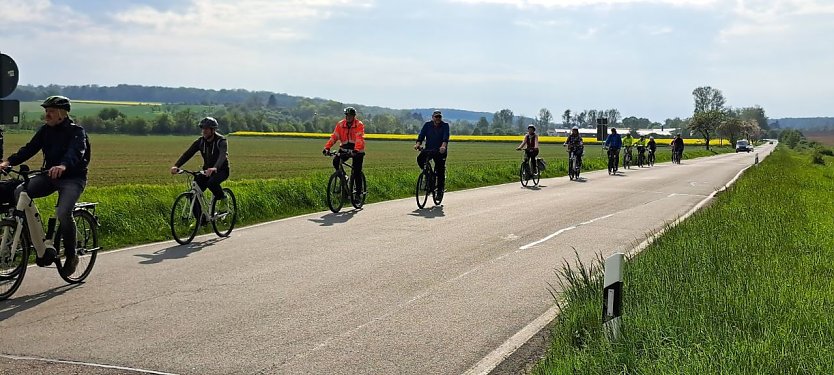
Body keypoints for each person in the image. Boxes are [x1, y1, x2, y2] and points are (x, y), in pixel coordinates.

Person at [0, 96, 90, 275]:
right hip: (49, 175)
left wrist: (63, 165)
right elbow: (30, 148)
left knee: (63, 212)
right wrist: (8, 162)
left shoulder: (77, 132)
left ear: (62, 114)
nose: (47, 114)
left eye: (51, 111)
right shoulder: (45, 131)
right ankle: (34, 239)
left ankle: (71, 256)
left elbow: (76, 152)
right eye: (46, 111)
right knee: (20, 192)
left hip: (73, 178)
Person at [171, 116, 230, 211]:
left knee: (212, 183)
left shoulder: (221, 141)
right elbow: (187, 154)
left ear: (213, 130)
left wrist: (215, 168)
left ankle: (223, 198)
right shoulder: (200, 142)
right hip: (206, 171)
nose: (204, 131)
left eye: (206, 128)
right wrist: (176, 166)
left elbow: (222, 155)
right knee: (193, 194)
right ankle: (201, 221)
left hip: (221, 171)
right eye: (203, 128)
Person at [323, 107, 366, 195]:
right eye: (347, 115)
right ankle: (344, 177)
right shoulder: (340, 124)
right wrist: (327, 148)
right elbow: (334, 137)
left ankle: (358, 194)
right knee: (336, 161)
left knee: (356, 171)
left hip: (357, 151)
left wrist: (356, 150)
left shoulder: (359, 124)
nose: (348, 117)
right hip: (344, 149)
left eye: (350, 115)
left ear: (354, 116)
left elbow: (359, 138)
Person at [414, 110, 450, 193]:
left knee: (440, 169)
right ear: (432, 117)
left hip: (440, 151)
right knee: (420, 159)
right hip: (429, 149)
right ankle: (429, 175)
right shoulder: (427, 125)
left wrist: (443, 146)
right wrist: (418, 144)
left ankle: (440, 191)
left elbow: (445, 137)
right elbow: (421, 136)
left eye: (439, 117)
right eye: (436, 117)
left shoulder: (445, 126)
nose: (438, 118)